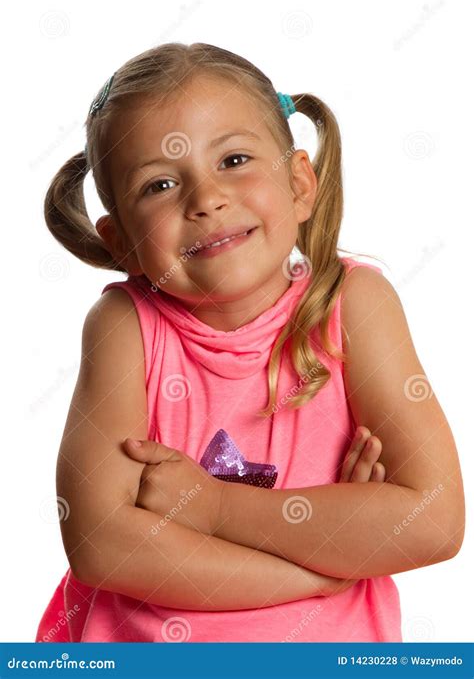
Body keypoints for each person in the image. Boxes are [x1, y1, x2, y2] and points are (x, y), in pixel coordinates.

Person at [36, 42, 464, 643]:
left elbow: (432, 520)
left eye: (234, 159)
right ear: (123, 242)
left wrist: (212, 509)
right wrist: (323, 570)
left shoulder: (355, 305)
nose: (206, 199)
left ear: (298, 183)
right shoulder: (124, 326)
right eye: (159, 184)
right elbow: (101, 545)